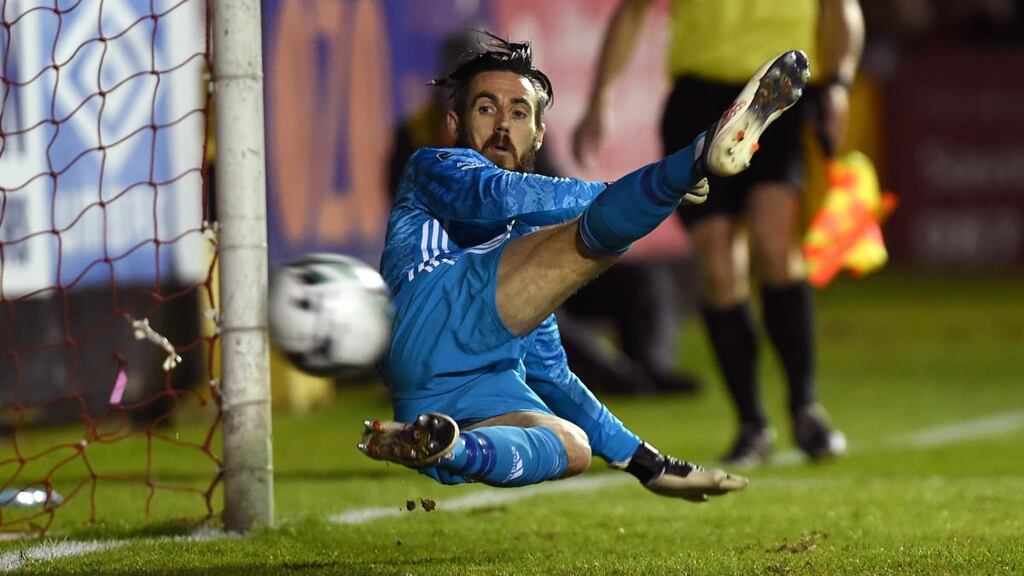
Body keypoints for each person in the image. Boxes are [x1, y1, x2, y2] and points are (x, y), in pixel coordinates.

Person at [361, 31, 808, 500]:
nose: (501, 126)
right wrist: (662, 184)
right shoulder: (432, 166)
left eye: (518, 113)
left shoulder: (522, 253)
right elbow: (498, 195)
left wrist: (648, 464)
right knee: (592, 241)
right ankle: (697, 155)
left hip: (461, 392)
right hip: (427, 322)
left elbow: (553, 377)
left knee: (570, 445)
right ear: (454, 122)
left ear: (538, 134)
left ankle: (442, 446)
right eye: (486, 108)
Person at [573, 0, 863, 467]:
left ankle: (806, 407)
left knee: (775, 246)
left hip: (779, 95)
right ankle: (752, 424)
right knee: (719, 265)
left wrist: (840, 83)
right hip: (698, 103)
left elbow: (842, 10)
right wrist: (600, 98)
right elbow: (631, 14)